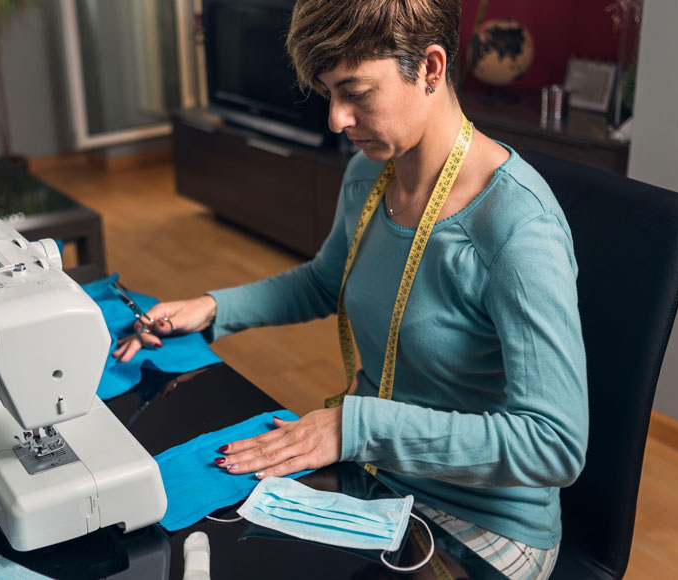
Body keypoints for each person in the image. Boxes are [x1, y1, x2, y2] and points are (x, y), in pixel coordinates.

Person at [114, 1, 587, 578]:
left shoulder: (516, 229)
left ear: (431, 69)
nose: (335, 119)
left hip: (483, 524)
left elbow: (554, 446)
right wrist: (214, 308)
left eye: (356, 92)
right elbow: (326, 280)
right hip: (377, 471)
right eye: (327, 93)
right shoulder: (371, 171)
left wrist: (353, 427)